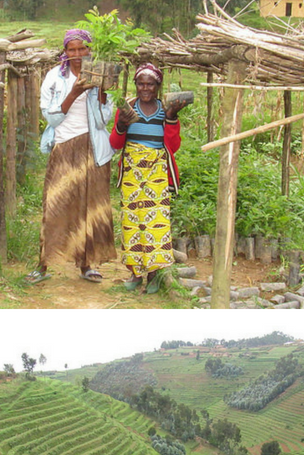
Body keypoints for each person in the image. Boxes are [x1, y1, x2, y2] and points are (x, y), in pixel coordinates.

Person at [28, 29, 116, 286]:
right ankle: (43, 264)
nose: (77, 55)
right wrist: (75, 92)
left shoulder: (99, 74)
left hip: (94, 149)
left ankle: (87, 264)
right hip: (65, 148)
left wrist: (100, 91)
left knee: (91, 207)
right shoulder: (54, 78)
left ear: (90, 50)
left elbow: (103, 121)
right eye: (72, 49)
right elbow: (52, 118)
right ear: (65, 52)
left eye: (82, 49)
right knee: (55, 205)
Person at [110, 62, 188, 294]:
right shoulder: (127, 108)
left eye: (150, 84)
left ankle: (153, 275)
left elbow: (173, 147)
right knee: (132, 221)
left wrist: (172, 118)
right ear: (135, 85)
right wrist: (122, 126)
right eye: (141, 84)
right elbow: (115, 144)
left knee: (156, 224)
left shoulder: (166, 110)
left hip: (156, 174)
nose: (145, 89)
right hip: (132, 173)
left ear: (158, 86)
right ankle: (135, 274)